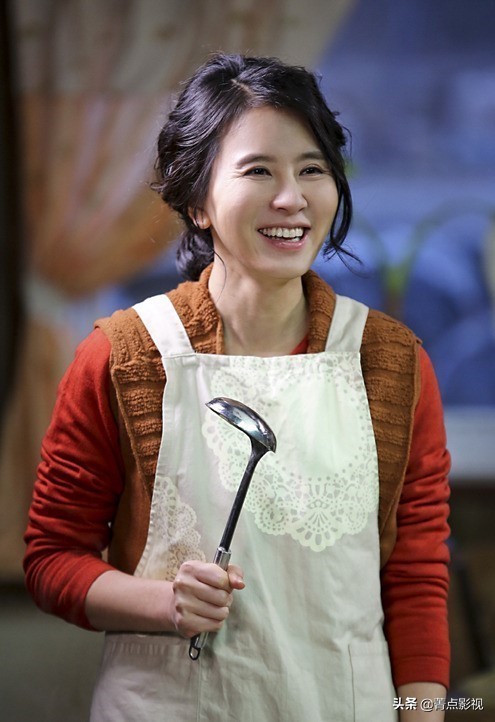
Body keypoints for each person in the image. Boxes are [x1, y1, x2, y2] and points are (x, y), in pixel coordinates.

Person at [24, 53, 450, 721]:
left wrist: (426, 713)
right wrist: (163, 602)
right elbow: (52, 558)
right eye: (258, 171)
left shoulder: (392, 363)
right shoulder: (124, 356)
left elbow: (415, 573)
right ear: (197, 202)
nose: (291, 198)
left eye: (312, 169)